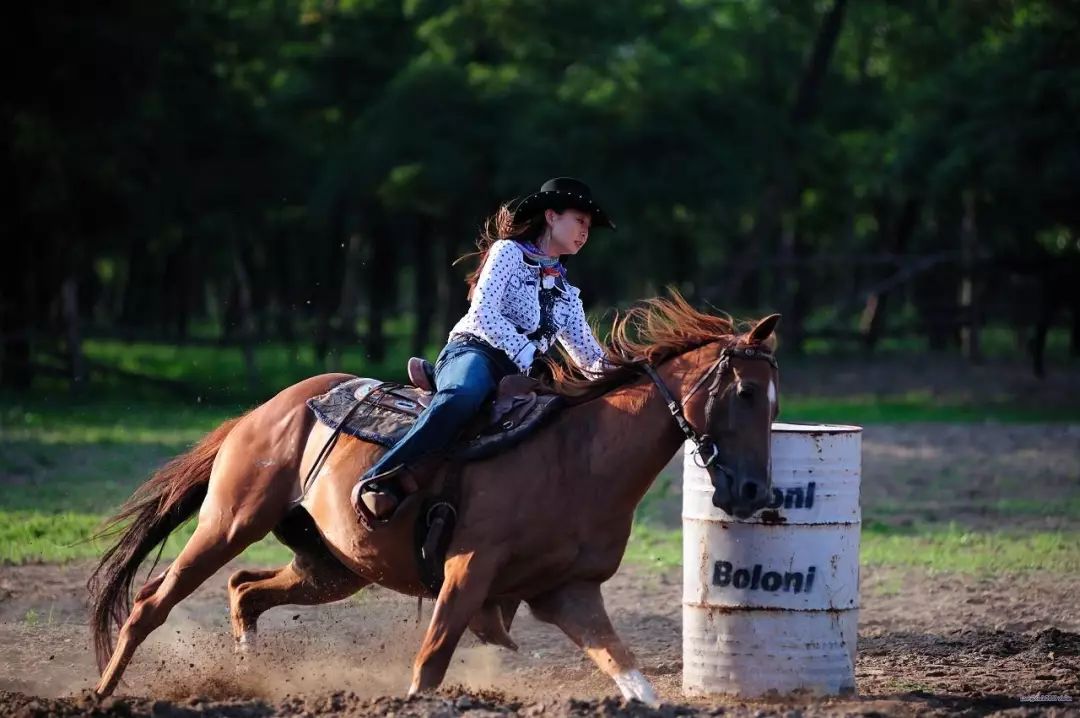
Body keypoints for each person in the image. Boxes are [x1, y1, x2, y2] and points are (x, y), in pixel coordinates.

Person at [352, 177, 616, 520]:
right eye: (580, 221)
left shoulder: (567, 294)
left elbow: (590, 357)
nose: (585, 232)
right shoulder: (507, 253)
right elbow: (483, 312)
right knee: (462, 395)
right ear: (551, 216)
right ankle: (380, 479)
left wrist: (635, 379)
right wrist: (528, 356)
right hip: (475, 351)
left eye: (589, 227)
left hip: (520, 377)